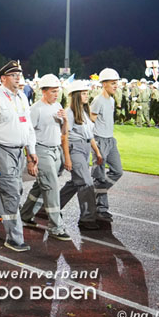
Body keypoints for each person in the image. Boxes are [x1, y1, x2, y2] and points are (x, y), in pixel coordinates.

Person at [0, 60, 38, 252]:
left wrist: (31, 151)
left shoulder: (21, 96)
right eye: (13, 75)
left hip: (18, 152)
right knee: (11, 193)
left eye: (19, 74)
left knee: (12, 190)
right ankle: (14, 238)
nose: (18, 77)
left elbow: (27, 126)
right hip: (2, 151)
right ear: (3, 78)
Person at [19, 74, 71, 241]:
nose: (56, 94)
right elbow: (28, 134)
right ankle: (56, 226)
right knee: (52, 187)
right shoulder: (36, 109)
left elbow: (64, 132)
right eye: (53, 91)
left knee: (41, 186)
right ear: (44, 91)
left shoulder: (58, 106)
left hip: (56, 151)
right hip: (41, 150)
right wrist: (30, 160)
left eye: (58, 91)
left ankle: (25, 214)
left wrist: (65, 120)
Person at [59, 80, 103, 231]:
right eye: (84, 93)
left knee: (76, 182)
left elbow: (89, 135)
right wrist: (67, 158)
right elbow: (64, 137)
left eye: (87, 93)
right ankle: (87, 218)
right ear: (76, 95)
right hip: (74, 148)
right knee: (86, 183)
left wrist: (97, 152)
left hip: (84, 148)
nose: (87, 96)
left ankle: (51, 207)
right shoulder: (69, 113)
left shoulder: (84, 112)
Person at [90, 68, 124, 222]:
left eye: (117, 83)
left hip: (110, 140)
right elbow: (90, 122)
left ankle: (94, 192)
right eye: (113, 83)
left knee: (117, 171)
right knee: (99, 176)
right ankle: (101, 208)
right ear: (104, 84)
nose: (116, 86)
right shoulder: (98, 100)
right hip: (99, 140)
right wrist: (94, 145)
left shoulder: (111, 100)